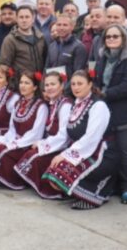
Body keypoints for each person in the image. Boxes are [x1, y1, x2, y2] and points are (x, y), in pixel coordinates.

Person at [42, 70, 119, 210]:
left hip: (102, 154)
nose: (76, 87)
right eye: (73, 84)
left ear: (90, 84)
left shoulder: (98, 106)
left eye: (80, 84)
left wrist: (65, 155)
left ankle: (93, 195)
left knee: (60, 171)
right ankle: (79, 192)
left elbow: (92, 138)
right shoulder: (76, 104)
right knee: (52, 172)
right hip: (83, 150)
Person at [94, 24, 127, 204]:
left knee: (124, 150)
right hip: (105, 110)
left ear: (123, 39)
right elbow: (97, 79)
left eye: (115, 36)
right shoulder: (102, 57)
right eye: (108, 37)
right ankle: (113, 184)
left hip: (125, 113)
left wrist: (105, 94)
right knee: (110, 150)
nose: (112, 39)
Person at [0, 70, 48, 189]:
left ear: (35, 87)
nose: (23, 86)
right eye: (21, 82)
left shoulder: (41, 106)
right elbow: (12, 131)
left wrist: (14, 144)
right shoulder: (18, 104)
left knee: (3, 151)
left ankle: (15, 180)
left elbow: (36, 134)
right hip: (16, 142)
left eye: (27, 83)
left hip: (28, 144)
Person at [14, 71, 72, 199]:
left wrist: (42, 144)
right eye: (47, 85)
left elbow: (64, 136)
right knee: (28, 155)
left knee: (33, 159)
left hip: (61, 147)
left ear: (62, 86)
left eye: (53, 84)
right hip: (52, 144)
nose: (49, 88)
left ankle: (52, 189)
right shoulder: (53, 103)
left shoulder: (65, 105)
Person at [0, 6, 47, 75]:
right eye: (21, 17)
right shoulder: (10, 39)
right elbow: (4, 66)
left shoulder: (41, 38)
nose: (24, 20)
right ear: (16, 19)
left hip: (39, 82)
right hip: (20, 83)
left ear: (33, 19)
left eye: (27, 17)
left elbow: (45, 61)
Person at [45, 14, 87, 80]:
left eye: (65, 25)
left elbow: (77, 74)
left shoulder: (79, 47)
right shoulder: (52, 46)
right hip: (52, 87)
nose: (61, 28)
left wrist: (64, 89)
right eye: (59, 25)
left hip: (68, 88)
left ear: (72, 27)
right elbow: (46, 69)